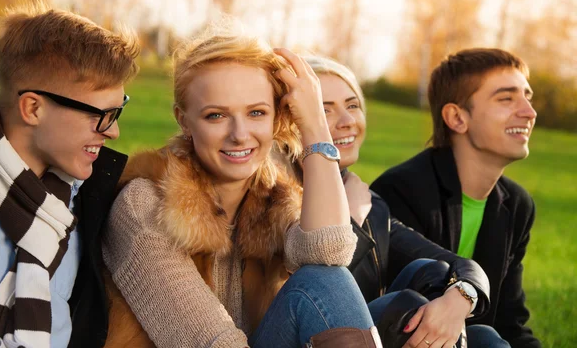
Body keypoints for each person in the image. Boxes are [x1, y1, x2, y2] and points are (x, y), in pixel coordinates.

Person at [101, 29, 380, 348]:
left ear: (276, 118)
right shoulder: (147, 205)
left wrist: (315, 125)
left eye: (256, 112)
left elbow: (330, 251)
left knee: (351, 289)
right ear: (184, 121)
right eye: (216, 115)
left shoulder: (273, 196)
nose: (239, 134)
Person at [290, 55, 513, 348]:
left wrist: (461, 298)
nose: (347, 122)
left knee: (479, 331)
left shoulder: (374, 206)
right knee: (406, 304)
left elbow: (460, 265)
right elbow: (312, 286)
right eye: (324, 110)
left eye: (352, 105)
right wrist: (353, 217)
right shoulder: (278, 197)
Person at [0, 0, 139, 348]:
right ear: (33, 108)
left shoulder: (94, 198)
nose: (113, 133)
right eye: (102, 114)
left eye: (117, 111)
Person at [370, 48, 541, 347]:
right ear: (457, 118)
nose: (529, 112)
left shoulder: (517, 205)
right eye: (506, 98)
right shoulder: (402, 190)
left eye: (527, 97)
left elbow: (509, 321)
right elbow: (405, 313)